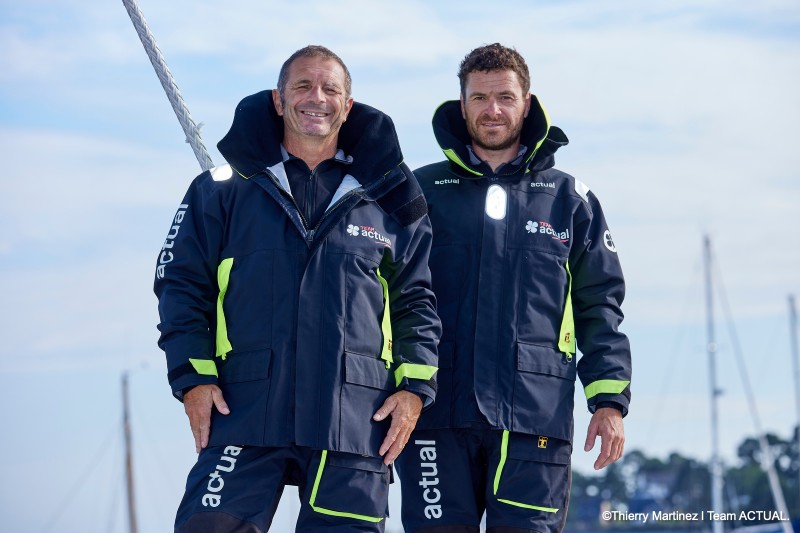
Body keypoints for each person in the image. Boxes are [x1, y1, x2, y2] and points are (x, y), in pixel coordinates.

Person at [154, 45, 440, 533]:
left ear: (347, 106)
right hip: (244, 409)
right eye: (303, 86)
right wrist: (193, 378)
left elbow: (418, 300)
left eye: (331, 89)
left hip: (353, 418)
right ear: (278, 100)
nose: (317, 98)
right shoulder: (221, 189)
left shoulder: (391, 198)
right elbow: (180, 285)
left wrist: (414, 390)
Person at [395, 43, 632, 533]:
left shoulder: (571, 201)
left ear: (527, 102)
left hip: (534, 417)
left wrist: (608, 401)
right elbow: (380, 298)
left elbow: (600, 307)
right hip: (436, 414)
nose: (493, 110)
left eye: (505, 96)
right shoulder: (418, 193)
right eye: (479, 98)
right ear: (462, 106)